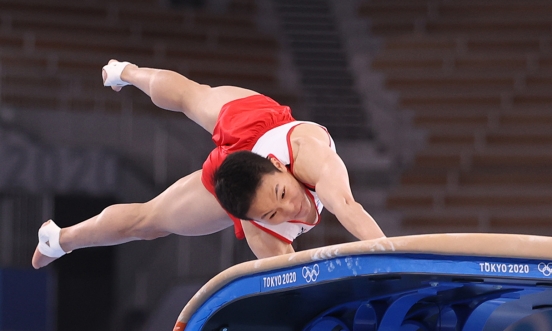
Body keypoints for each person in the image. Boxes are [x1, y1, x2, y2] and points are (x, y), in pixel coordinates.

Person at [32, 60, 385, 269]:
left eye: (281, 192)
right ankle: (59, 240)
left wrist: (394, 257)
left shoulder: (313, 156)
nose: (289, 206)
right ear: (249, 220)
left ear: (279, 165)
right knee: (148, 221)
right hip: (240, 181)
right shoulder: (260, 230)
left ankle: (127, 73)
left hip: (257, 123)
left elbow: (349, 208)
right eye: (273, 214)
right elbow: (291, 283)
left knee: (192, 94)